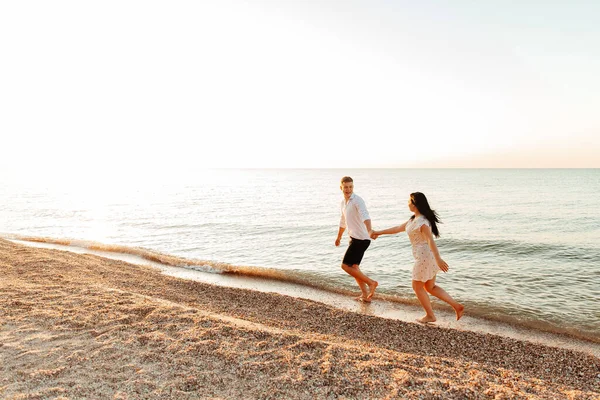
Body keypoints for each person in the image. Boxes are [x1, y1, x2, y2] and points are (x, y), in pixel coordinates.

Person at [371, 192, 464, 322]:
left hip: (424, 258)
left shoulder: (422, 222)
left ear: (415, 204)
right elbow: (398, 228)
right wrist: (378, 233)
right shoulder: (413, 219)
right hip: (426, 256)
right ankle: (457, 306)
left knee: (417, 287)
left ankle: (430, 316)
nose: (407, 203)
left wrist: (438, 258)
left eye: (409, 201)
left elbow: (430, 240)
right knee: (430, 287)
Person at [335, 176, 378, 302]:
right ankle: (365, 296)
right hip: (355, 238)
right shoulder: (343, 203)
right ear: (341, 188)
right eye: (346, 187)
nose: (348, 189)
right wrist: (338, 237)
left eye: (351, 187)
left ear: (353, 187)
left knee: (345, 266)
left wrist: (370, 230)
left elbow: (366, 216)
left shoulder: (358, 201)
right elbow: (343, 221)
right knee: (354, 267)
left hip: (362, 239)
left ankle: (371, 283)